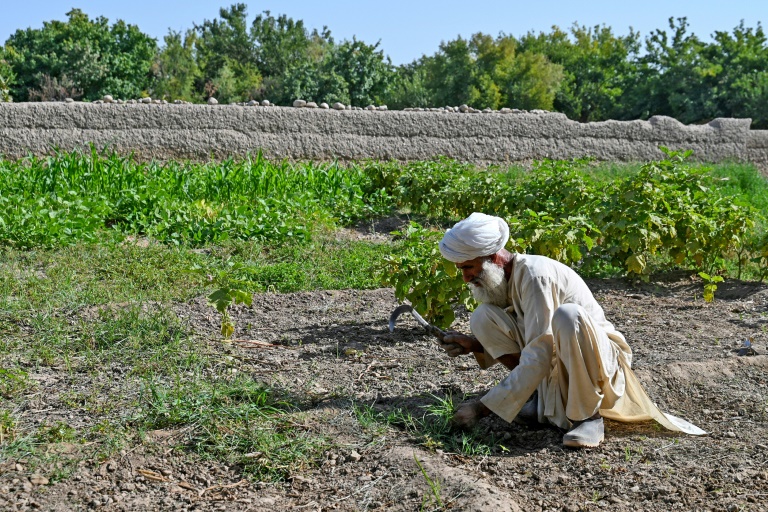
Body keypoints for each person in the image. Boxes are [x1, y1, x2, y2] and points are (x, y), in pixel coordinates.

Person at [437, 212, 704, 448]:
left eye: (468, 268)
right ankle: (542, 398)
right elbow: (532, 335)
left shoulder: (536, 276)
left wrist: (481, 408)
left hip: (602, 365)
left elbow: (540, 351)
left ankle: (588, 416)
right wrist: (476, 344)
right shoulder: (507, 278)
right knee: (483, 316)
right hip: (559, 361)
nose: (466, 277)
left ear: (493, 257)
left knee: (568, 316)